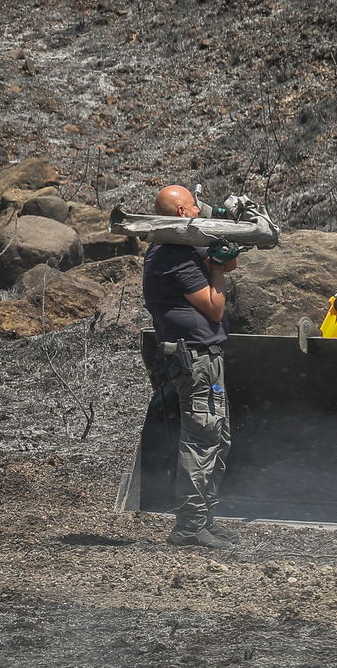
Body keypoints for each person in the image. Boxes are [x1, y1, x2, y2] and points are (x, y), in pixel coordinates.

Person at [142, 184, 240, 549]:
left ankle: (204, 521)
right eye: (195, 207)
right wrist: (215, 265)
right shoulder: (173, 256)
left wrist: (222, 253)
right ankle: (189, 526)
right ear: (182, 213)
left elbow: (227, 262)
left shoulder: (177, 247)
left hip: (202, 356)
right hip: (195, 357)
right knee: (201, 438)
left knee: (216, 438)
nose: (200, 211)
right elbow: (214, 306)